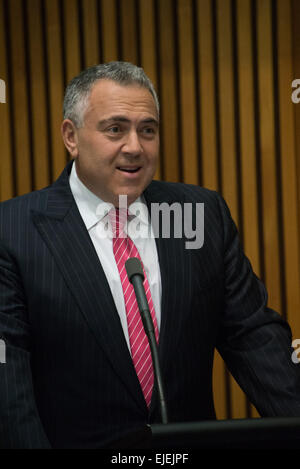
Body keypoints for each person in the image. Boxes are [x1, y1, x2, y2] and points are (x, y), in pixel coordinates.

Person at [0, 61, 300, 449]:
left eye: (148, 130)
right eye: (115, 129)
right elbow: (10, 391)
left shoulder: (198, 217)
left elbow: (254, 338)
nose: (135, 147)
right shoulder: (14, 232)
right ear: (71, 136)